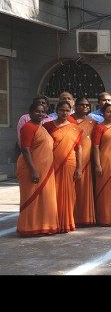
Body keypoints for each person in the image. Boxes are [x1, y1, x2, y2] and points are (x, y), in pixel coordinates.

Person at [16, 101, 59, 236]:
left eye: (42, 112)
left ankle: (43, 226)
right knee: (32, 199)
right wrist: (33, 170)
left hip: (45, 170)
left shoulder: (41, 128)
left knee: (44, 199)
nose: (40, 114)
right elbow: (25, 149)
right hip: (32, 169)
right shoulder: (28, 127)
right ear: (30, 113)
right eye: (37, 111)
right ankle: (28, 227)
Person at [43, 100, 82, 233]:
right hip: (52, 163)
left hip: (70, 162)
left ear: (71, 111)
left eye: (67, 110)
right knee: (52, 193)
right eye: (61, 110)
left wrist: (79, 168)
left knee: (69, 193)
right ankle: (53, 222)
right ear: (56, 110)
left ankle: (67, 222)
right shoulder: (48, 126)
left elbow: (79, 148)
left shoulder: (75, 127)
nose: (64, 113)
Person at [71, 97, 96, 227]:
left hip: (87, 161)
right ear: (76, 105)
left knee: (85, 190)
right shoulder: (69, 120)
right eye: (82, 105)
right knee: (72, 190)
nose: (85, 107)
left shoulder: (92, 122)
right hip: (71, 160)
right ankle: (71, 217)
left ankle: (85, 217)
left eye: (87, 105)